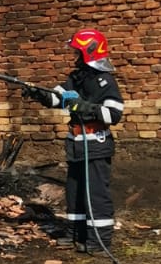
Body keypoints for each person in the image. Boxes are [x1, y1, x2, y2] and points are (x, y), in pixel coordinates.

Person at [24, 28, 124, 251]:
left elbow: (114, 114)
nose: (75, 57)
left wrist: (86, 107)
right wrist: (36, 93)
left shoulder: (104, 81)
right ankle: (75, 233)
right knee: (74, 191)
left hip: (95, 146)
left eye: (78, 53)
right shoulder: (76, 77)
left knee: (95, 194)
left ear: (89, 51)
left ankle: (98, 239)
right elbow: (56, 98)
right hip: (76, 146)